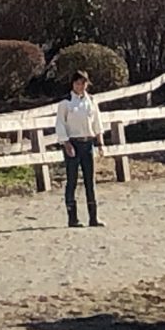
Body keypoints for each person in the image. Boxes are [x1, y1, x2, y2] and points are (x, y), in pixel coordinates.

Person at [53, 72, 106, 228]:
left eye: (83, 83)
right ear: (73, 84)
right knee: (72, 180)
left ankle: (93, 217)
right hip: (73, 143)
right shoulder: (66, 103)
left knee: (90, 180)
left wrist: (100, 142)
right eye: (77, 83)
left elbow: (97, 122)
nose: (80, 86)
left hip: (87, 142)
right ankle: (72, 217)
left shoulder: (91, 101)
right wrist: (66, 143)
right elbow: (60, 124)